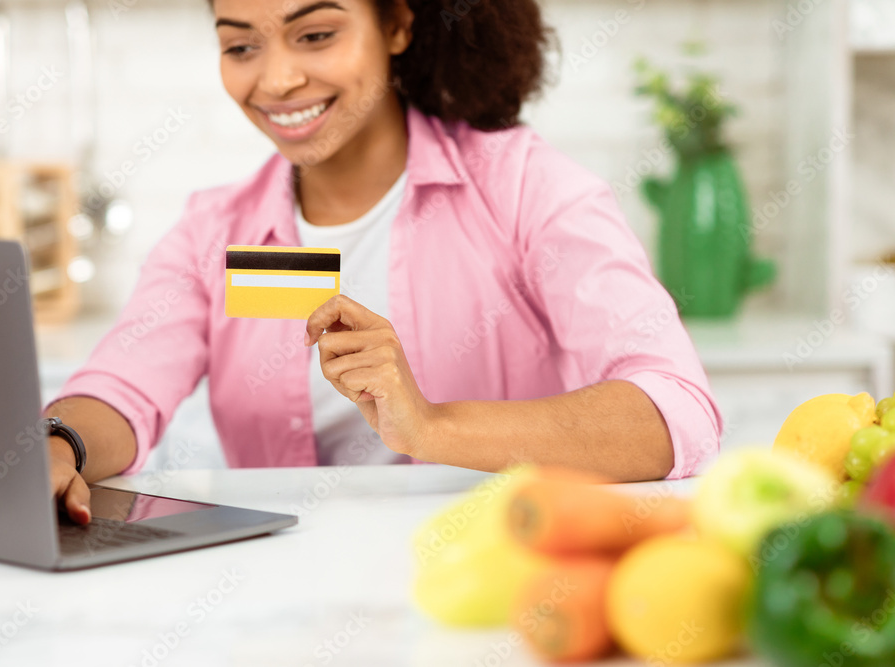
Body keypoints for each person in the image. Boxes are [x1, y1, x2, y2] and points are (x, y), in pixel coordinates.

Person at [45, 0, 722, 524]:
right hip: (285, 599)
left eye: (316, 35)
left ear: (397, 23)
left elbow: (675, 409)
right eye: (240, 45)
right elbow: (120, 390)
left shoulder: (525, 190)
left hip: (497, 582)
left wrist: (432, 423)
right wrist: (59, 443)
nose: (277, 78)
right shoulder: (215, 233)